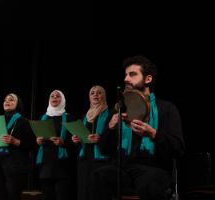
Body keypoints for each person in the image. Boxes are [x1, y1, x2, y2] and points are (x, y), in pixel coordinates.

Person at [90, 55, 185, 200]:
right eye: (126, 75)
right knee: (99, 176)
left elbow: (178, 148)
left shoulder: (167, 109)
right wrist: (110, 128)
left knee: (151, 182)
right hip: (122, 167)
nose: (126, 79)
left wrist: (153, 134)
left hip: (154, 167)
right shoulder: (119, 109)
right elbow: (104, 149)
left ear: (148, 79)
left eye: (132, 74)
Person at [0, 93, 37, 200]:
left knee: (13, 196)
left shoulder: (24, 122)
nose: (7, 102)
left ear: (18, 104)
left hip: (15, 167)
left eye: (11, 100)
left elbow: (33, 143)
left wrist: (15, 141)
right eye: (5, 100)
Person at [35, 90, 77, 200]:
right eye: (52, 96)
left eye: (58, 96)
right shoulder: (43, 117)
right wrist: (38, 141)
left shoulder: (69, 118)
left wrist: (63, 142)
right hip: (45, 164)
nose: (54, 98)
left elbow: (76, 142)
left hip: (62, 165)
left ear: (62, 100)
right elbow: (37, 140)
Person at [71, 85, 110, 200]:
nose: (95, 95)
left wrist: (100, 138)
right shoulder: (84, 116)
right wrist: (76, 140)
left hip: (102, 160)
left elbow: (115, 138)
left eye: (99, 93)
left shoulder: (110, 115)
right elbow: (81, 136)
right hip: (84, 160)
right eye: (92, 93)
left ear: (104, 96)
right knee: (84, 192)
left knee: (98, 192)